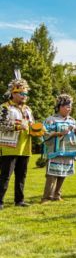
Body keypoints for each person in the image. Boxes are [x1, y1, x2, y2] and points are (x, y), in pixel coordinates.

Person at [0, 73, 37, 209]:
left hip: (25, 146)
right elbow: (1, 124)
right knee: (5, 176)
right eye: (21, 93)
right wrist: (17, 126)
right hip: (9, 146)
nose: (24, 96)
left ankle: (19, 200)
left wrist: (37, 130)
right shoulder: (5, 107)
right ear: (13, 93)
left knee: (21, 176)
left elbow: (31, 124)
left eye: (26, 94)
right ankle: (0, 201)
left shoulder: (28, 109)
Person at [41, 94, 76, 203]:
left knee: (63, 173)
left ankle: (56, 195)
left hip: (68, 151)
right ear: (60, 107)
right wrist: (59, 133)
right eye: (67, 106)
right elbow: (44, 133)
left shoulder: (72, 120)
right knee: (52, 174)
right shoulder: (51, 120)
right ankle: (46, 197)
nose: (70, 108)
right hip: (55, 151)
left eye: (70, 106)